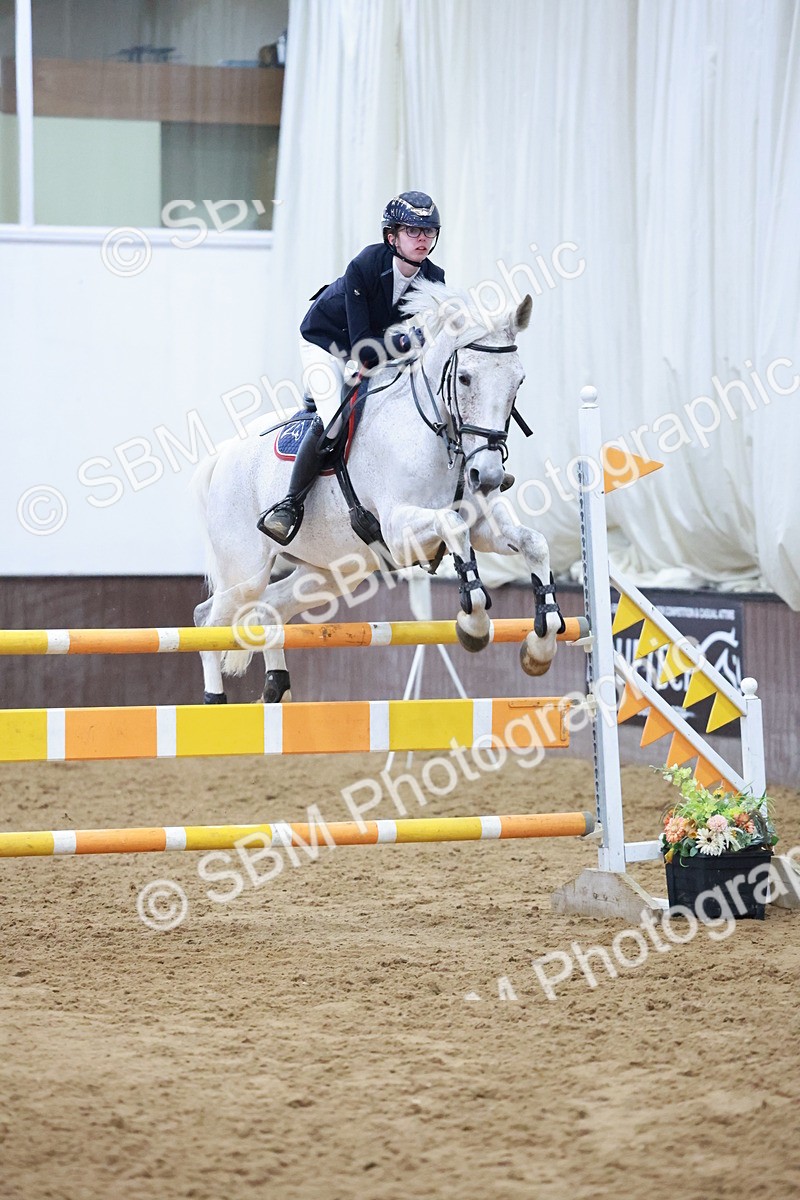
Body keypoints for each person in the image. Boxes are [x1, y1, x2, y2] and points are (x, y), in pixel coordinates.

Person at [257, 191, 445, 544]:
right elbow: (363, 348)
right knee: (334, 419)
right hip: (326, 343)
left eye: (429, 231)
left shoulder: (434, 278)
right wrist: (411, 341)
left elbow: (429, 341)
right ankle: (290, 504)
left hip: (377, 347)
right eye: (412, 231)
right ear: (392, 236)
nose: (422, 239)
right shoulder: (366, 265)